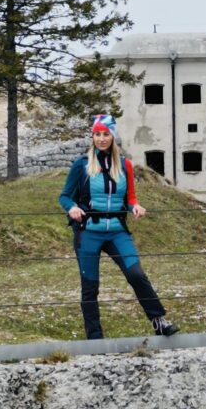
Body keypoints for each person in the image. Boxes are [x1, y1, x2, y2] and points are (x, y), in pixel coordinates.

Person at [58, 113, 180, 340]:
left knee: (136, 274)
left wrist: (135, 206)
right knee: (90, 286)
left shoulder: (125, 165)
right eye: (97, 134)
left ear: (113, 137)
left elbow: (131, 197)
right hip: (88, 233)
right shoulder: (81, 165)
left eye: (106, 134)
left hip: (117, 231)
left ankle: (159, 322)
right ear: (92, 137)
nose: (101, 139)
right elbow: (64, 196)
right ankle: (95, 339)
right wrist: (72, 207)